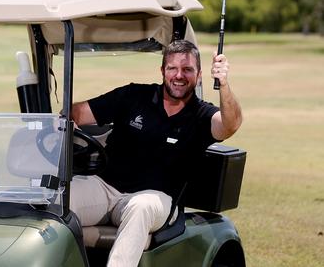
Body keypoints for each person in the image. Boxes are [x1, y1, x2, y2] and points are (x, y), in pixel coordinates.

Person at [69, 39, 242, 267]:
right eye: (172, 68)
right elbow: (77, 112)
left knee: (141, 207)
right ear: (163, 70)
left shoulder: (201, 115)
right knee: (59, 199)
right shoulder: (133, 96)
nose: (179, 76)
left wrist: (224, 83)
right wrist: (67, 121)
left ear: (199, 75)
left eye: (187, 69)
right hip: (105, 188)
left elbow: (230, 124)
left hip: (157, 199)